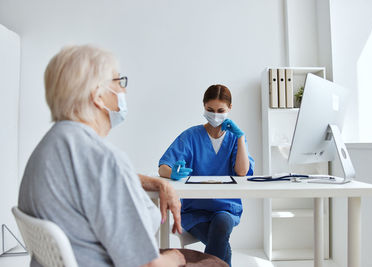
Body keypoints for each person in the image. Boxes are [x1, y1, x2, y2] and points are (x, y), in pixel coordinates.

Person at [18, 45, 227, 267]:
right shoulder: (103, 159)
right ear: (97, 96)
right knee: (216, 263)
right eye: (118, 82)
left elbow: (90, 180)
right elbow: (147, 265)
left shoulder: (50, 147)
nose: (123, 91)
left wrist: (155, 183)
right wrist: (174, 259)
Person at [158, 84, 255, 266]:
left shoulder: (235, 138)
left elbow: (242, 172)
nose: (215, 115)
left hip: (226, 207)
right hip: (195, 211)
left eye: (220, 110)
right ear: (204, 106)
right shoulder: (191, 136)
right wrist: (173, 173)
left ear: (230, 109)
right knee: (221, 243)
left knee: (221, 224)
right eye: (210, 110)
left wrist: (241, 137)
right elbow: (163, 167)